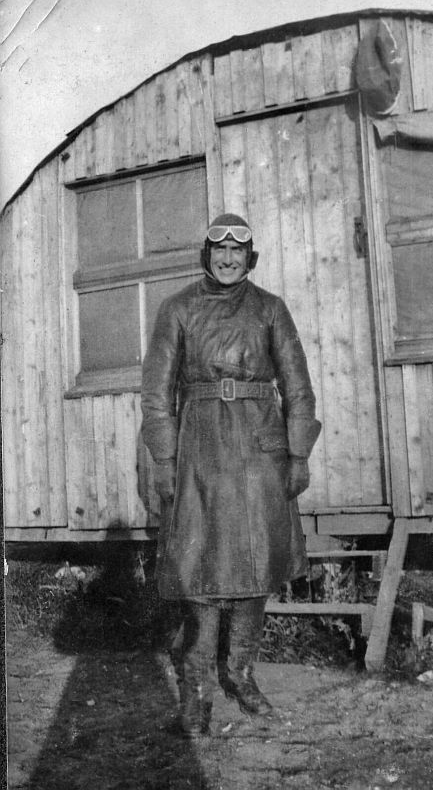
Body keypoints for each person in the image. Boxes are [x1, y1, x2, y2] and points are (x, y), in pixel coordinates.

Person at [140, 213, 321, 736]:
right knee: (199, 568)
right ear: (207, 254)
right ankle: (197, 689)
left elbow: (298, 387)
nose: (227, 259)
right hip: (199, 452)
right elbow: (156, 395)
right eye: (218, 250)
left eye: (236, 251)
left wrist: (298, 454)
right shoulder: (177, 309)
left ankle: (240, 675)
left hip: (260, 451)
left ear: (249, 257)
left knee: (257, 564)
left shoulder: (270, 309)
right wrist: (165, 460)